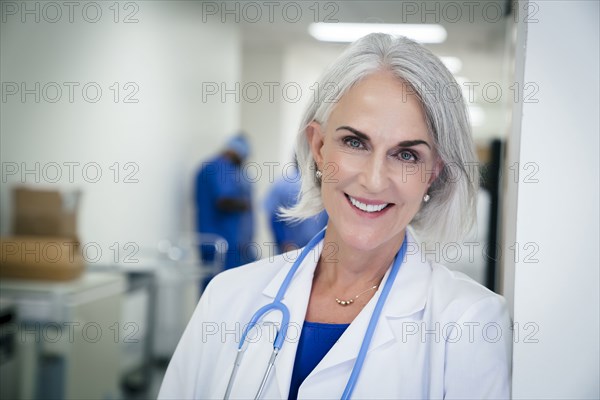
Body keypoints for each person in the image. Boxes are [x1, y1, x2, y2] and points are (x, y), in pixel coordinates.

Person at [160, 33, 511, 399]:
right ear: (319, 147)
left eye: (406, 155)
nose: (374, 181)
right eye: (355, 143)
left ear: (433, 172)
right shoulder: (227, 298)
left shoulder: (469, 323)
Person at [194, 134, 256, 271]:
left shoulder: (214, 167)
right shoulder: (221, 167)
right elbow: (224, 201)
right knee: (222, 283)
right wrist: (245, 204)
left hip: (223, 242)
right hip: (224, 242)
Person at [264, 160, 328, 253]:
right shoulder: (285, 184)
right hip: (294, 248)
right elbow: (275, 216)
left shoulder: (282, 183)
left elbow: (274, 216)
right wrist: (284, 242)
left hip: (311, 248)